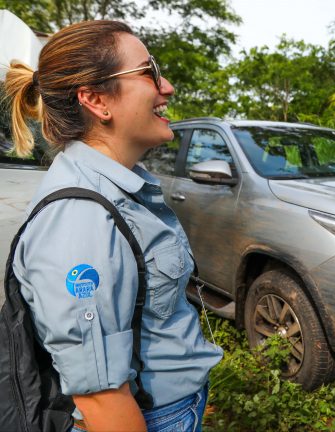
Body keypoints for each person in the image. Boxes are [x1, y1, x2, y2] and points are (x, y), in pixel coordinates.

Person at [3, 20, 222, 431]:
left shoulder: (117, 189)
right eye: (148, 72)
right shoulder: (80, 220)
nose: (167, 86)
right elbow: (102, 399)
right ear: (97, 101)